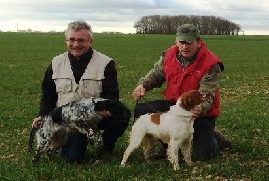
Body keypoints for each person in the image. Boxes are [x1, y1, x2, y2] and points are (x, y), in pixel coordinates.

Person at [32, 20, 129, 163]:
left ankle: (106, 147)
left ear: (90, 41)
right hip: (68, 121)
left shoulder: (105, 63)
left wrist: (103, 111)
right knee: (72, 158)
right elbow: (48, 93)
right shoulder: (56, 63)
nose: (76, 44)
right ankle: (64, 143)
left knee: (123, 113)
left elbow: (111, 94)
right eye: (72, 40)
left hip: (95, 115)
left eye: (81, 40)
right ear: (66, 41)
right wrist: (42, 115)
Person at [131, 23, 228, 161]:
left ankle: (216, 138)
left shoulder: (211, 64)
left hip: (200, 113)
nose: (184, 47)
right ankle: (167, 145)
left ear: (198, 42)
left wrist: (200, 108)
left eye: (189, 42)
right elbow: (157, 74)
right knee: (142, 110)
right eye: (181, 42)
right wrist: (142, 85)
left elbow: (207, 94)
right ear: (176, 41)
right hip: (174, 107)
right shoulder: (169, 55)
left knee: (202, 155)